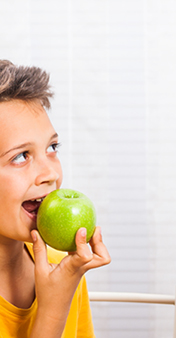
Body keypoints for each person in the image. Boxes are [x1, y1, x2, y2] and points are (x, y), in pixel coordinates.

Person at [0, 59, 111, 337]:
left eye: (52, 147)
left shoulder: (62, 266)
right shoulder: (61, 282)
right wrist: (53, 309)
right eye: (21, 156)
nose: (50, 173)